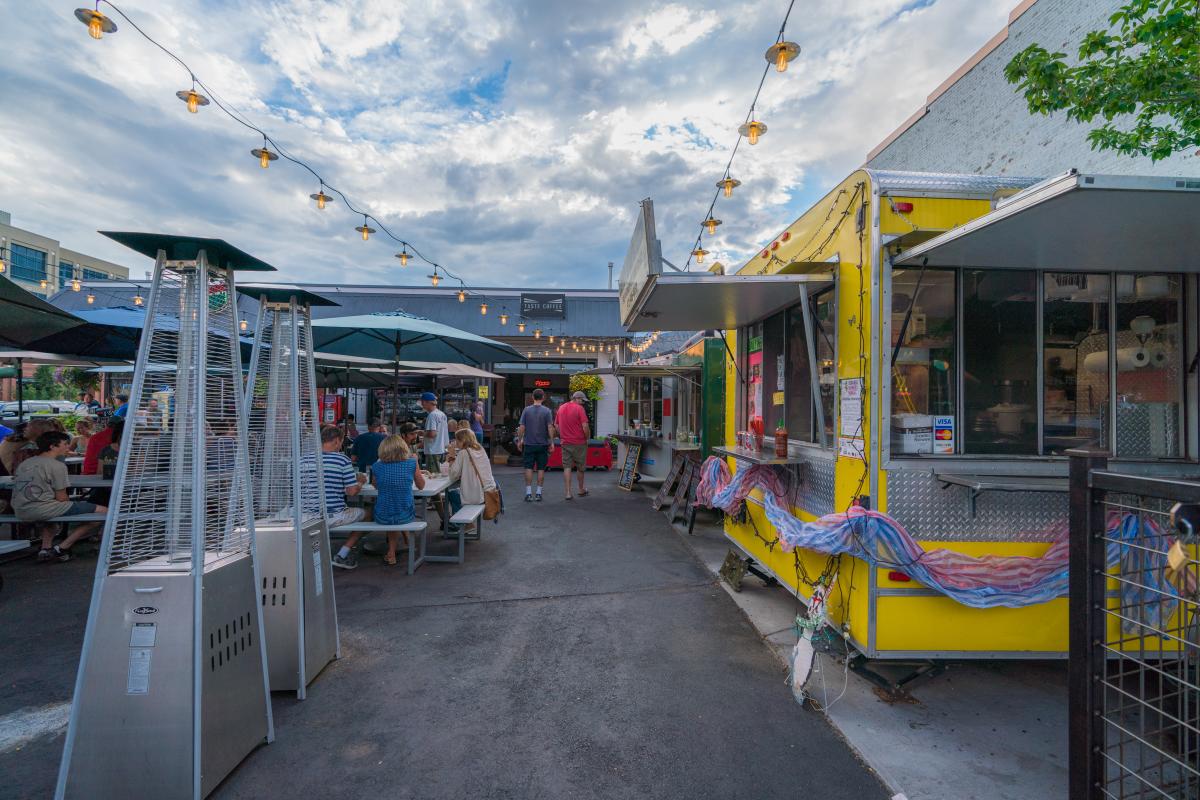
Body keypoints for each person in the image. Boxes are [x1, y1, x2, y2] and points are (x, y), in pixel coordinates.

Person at [11, 431, 108, 563]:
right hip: (42, 509)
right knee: (104, 512)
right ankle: (62, 548)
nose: (68, 447)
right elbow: (62, 498)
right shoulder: (57, 466)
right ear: (52, 446)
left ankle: (45, 549)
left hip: (20, 509)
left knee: (51, 519)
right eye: (65, 444)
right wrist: (74, 508)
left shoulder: (26, 463)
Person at [334, 434, 427, 569]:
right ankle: (395, 549)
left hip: (382, 515)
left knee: (388, 507)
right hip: (406, 513)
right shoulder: (411, 463)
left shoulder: (377, 467)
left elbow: (376, 485)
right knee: (397, 508)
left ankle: (392, 552)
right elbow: (421, 486)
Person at [447, 429, 497, 534]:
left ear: (462, 440)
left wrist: (451, 456)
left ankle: (464, 524)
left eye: (457, 440)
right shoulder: (480, 449)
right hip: (489, 492)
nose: (456, 443)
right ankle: (463, 523)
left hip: (476, 495)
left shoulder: (463, 453)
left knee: (451, 494)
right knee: (457, 492)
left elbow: (453, 475)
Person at [320, 425, 367, 530]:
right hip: (332, 516)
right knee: (367, 513)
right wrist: (360, 482)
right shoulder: (342, 460)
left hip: (305, 517)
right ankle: (347, 546)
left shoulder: (303, 459)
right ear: (337, 441)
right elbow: (351, 492)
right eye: (341, 442)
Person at [517, 388, 555, 502]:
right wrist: (552, 442)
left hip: (529, 443)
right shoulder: (547, 411)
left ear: (532, 397)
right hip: (542, 444)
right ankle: (538, 493)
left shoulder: (526, 410)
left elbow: (522, 427)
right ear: (543, 397)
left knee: (528, 467)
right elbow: (550, 427)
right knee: (541, 468)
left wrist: (519, 440)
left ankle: (528, 493)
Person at [556, 391, 592, 500]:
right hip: (579, 442)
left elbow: (556, 425)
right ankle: (581, 489)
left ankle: (568, 492)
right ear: (577, 398)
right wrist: (587, 438)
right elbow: (585, 426)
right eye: (582, 400)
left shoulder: (561, 408)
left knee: (567, 467)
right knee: (580, 467)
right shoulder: (579, 409)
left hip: (565, 442)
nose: (582, 403)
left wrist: (562, 435)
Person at [420, 391, 449, 473]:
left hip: (433, 450)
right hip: (441, 449)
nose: (422, 405)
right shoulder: (442, 414)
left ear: (427, 402)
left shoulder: (432, 415)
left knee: (433, 476)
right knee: (440, 477)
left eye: (422, 402)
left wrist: (421, 433)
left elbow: (432, 434)